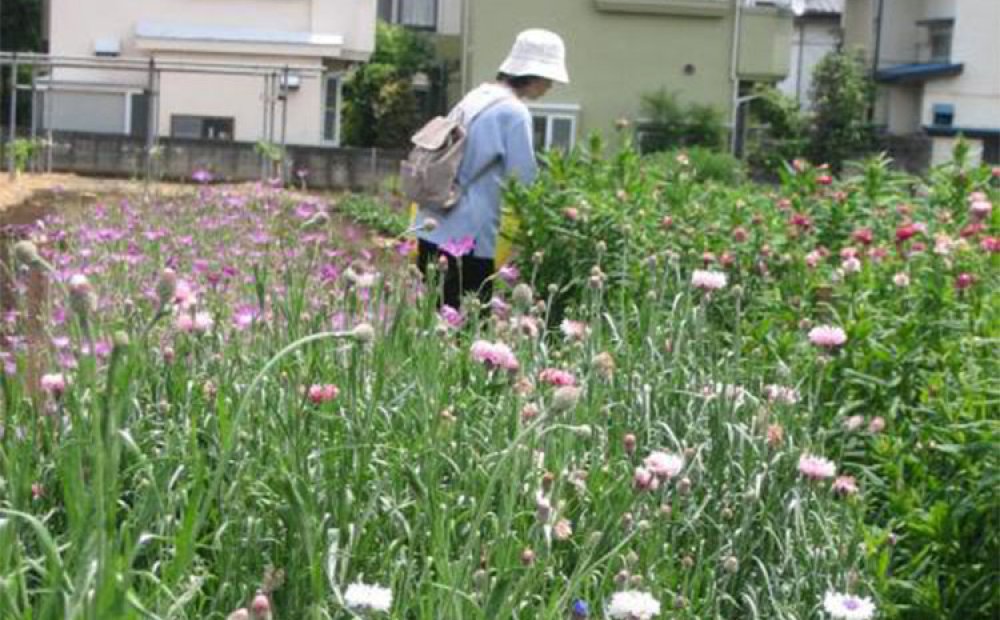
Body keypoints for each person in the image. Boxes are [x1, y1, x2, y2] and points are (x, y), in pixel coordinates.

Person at [414, 28, 569, 310]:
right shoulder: (514, 112)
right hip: (468, 237)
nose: (550, 87)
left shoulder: (476, 97)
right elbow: (525, 181)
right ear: (534, 75)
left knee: (432, 322)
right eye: (549, 79)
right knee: (465, 325)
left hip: (432, 225)